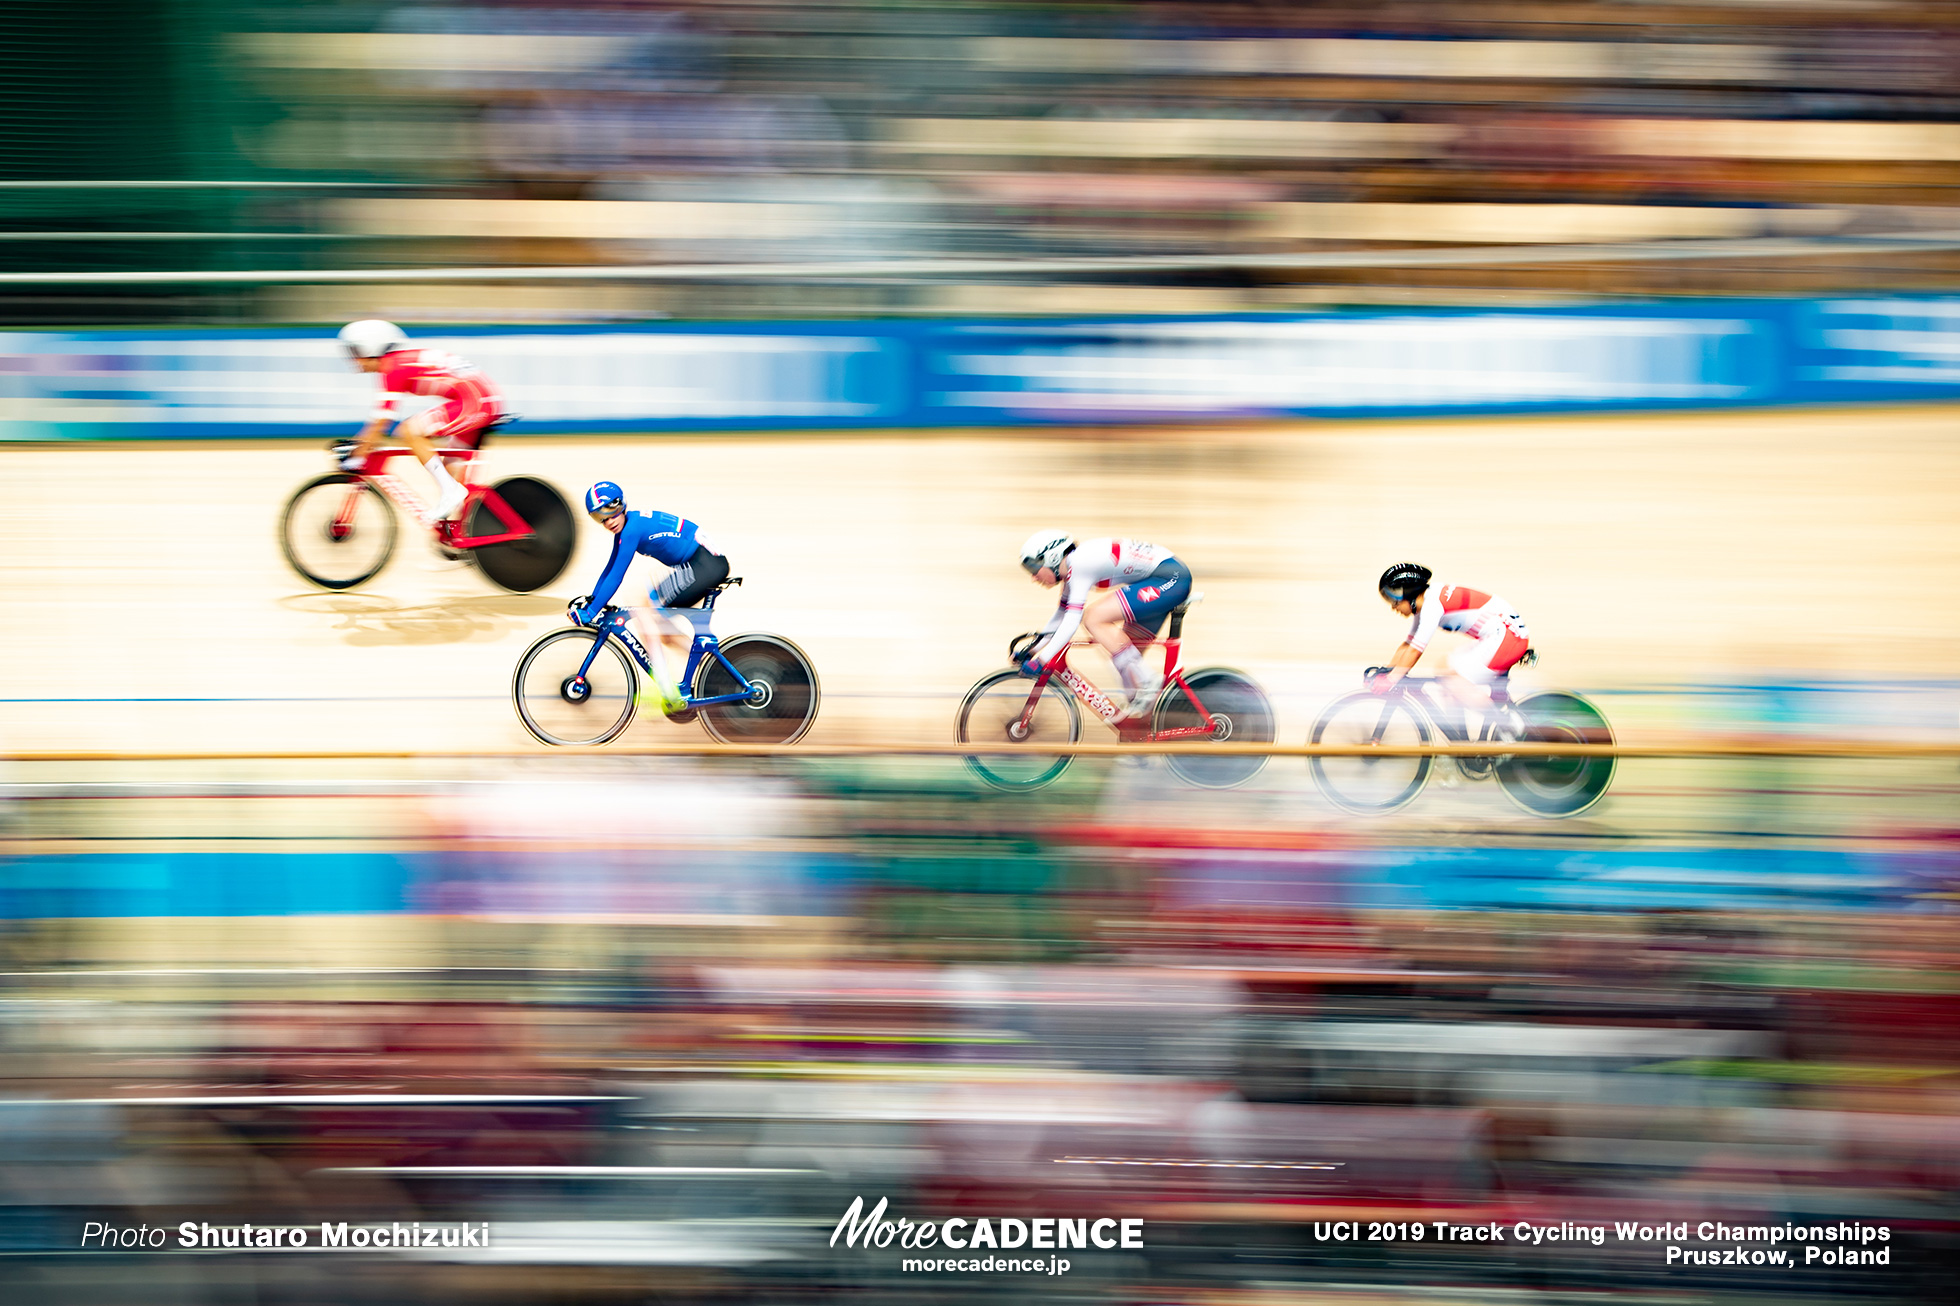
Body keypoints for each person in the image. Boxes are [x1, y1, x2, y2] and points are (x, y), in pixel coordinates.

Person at [568, 481, 730, 716]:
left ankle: (665, 687)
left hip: (704, 564)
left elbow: (617, 576)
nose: (608, 522)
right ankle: (712, 672)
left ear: (621, 505)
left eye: (610, 512)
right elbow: (609, 569)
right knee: (664, 632)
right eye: (600, 518)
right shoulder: (628, 527)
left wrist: (592, 612)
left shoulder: (632, 529)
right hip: (700, 563)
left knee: (646, 608)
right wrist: (592, 600)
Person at [336, 320, 506, 521]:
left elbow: (382, 421)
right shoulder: (399, 362)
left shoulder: (393, 366)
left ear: (369, 347)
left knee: (409, 430)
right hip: (480, 399)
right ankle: (464, 530)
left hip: (476, 402)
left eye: (354, 351)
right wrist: (362, 445)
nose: (353, 358)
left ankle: (452, 492)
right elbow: (379, 423)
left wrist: (357, 450)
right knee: (452, 469)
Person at [1017, 530, 1191, 721]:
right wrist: (1034, 649)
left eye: (1034, 568)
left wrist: (1041, 660)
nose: (1033, 577)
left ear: (1051, 557)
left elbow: (1072, 621)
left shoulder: (1080, 564)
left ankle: (1150, 681)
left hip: (1170, 578)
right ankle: (1141, 730)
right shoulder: (1072, 569)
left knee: (1093, 618)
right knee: (1124, 661)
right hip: (1160, 579)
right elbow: (1061, 616)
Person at [1372, 563, 1532, 713]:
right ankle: (1460, 738)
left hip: (1506, 638)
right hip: (1500, 635)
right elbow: (1408, 645)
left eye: (1394, 600)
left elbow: (1416, 650)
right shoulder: (1426, 601)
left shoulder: (1432, 606)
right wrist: (1387, 670)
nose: (1393, 607)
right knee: (1445, 669)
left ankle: (1506, 726)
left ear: (1410, 594)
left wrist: (1391, 680)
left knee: (1451, 680)